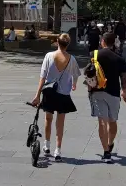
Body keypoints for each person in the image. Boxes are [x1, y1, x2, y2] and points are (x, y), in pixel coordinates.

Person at [31, 33, 80, 161]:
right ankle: (58, 150)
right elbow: (76, 74)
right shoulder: (72, 59)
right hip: (63, 93)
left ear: (57, 42)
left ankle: (47, 145)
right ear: (68, 44)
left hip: (49, 92)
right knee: (60, 122)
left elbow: (42, 76)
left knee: (48, 118)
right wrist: (74, 84)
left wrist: (37, 95)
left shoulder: (49, 56)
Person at [90, 33, 126, 164]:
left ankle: (106, 152)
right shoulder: (119, 58)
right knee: (112, 121)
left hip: (97, 92)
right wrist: (124, 91)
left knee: (102, 121)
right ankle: (110, 143)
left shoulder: (94, 55)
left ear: (102, 42)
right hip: (114, 93)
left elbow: (89, 73)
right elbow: (124, 78)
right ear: (114, 42)